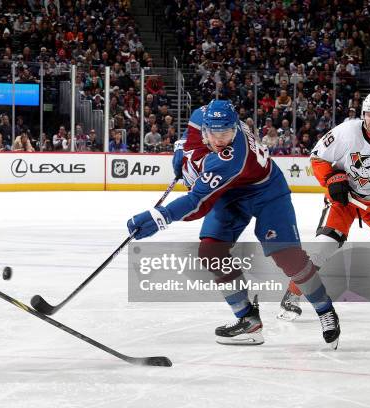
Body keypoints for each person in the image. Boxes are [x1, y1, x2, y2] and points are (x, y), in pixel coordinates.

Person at [133, 99, 340, 348]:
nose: (221, 140)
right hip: (231, 193)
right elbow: (192, 132)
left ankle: (325, 309)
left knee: (288, 257)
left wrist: (160, 217)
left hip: (266, 192)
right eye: (215, 133)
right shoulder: (203, 114)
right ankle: (247, 320)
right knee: (211, 251)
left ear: (236, 128)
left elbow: (197, 203)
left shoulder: (231, 157)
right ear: (206, 127)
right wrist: (183, 148)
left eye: (227, 133)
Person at [278, 92, 370, 320]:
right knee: (322, 248)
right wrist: (332, 178)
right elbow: (317, 158)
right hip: (344, 200)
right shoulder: (346, 132)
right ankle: (291, 296)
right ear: (363, 114)